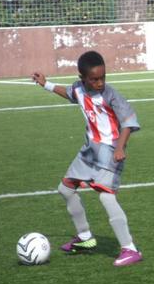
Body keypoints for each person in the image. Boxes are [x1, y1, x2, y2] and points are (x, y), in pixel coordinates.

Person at [32, 51, 143, 266]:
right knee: (65, 188)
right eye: (94, 79)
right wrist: (46, 84)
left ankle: (130, 249)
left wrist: (120, 148)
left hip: (111, 152)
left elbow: (128, 123)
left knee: (106, 197)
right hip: (89, 151)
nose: (100, 83)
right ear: (82, 78)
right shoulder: (79, 89)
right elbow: (69, 93)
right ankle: (85, 238)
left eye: (103, 77)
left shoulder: (111, 95)